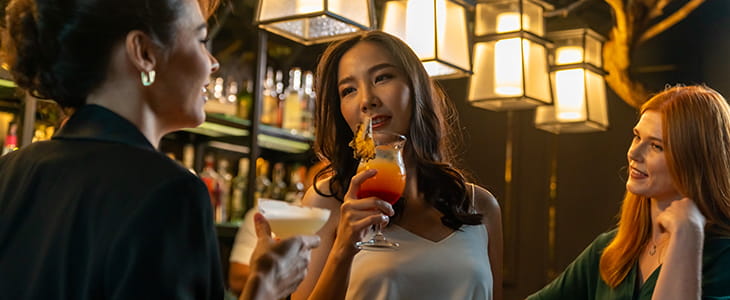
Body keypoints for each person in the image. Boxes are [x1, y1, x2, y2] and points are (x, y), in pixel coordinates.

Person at [0, 0, 318, 299]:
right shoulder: (172, 191)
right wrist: (265, 286)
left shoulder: (11, 171)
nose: (214, 62)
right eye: (201, 40)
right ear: (144, 52)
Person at [291, 30, 503, 300]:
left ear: (415, 87)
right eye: (349, 90)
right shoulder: (326, 202)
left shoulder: (480, 205)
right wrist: (343, 251)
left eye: (382, 77)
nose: (367, 100)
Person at [527, 85, 730, 299]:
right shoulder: (610, 248)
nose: (634, 153)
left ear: (695, 161)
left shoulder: (722, 257)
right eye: (637, 137)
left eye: (656, 146)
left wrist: (686, 233)